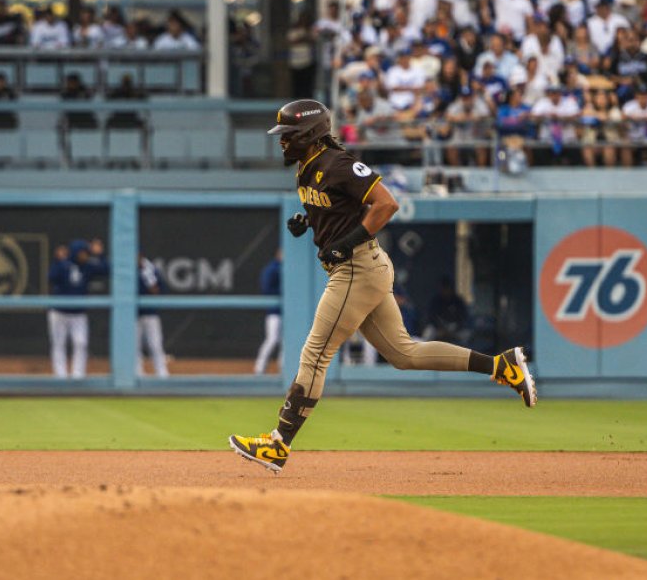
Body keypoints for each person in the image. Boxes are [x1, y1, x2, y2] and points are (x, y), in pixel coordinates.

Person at [229, 99, 537, 473]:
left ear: (309, 134)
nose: (282, 141)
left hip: (356, 268)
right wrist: (309, 222)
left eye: (288, 134)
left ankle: (278, 444)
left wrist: (348, 240)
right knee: (404, 354)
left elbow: (385, 204)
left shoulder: (337, 163)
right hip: (360, 268)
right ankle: (501, 366)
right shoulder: (307, 167)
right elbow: (339, 207)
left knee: (315, 354)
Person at [47, 239, 109, 379]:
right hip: (59, 312)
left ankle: (78, 375)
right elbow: (51, 277)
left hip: (78, 314)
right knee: (58, 344)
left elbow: (106, 269)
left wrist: (99, 255)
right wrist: (57, 261)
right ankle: (60, 376)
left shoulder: (87, 266)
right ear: (75, 252)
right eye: (83, 253)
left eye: (87, 253)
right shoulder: (63, 265)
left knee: (81, 343)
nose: (86, 255)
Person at [137, 255, 170, 378]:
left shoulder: (151, 269)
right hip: (133, 315)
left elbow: (161, 290)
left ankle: (162, 374)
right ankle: (137, 373)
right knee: (134, 346)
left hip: (150, 314)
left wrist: (150, 279)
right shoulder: (127, 271)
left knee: (155, 345)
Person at [253, 250, 283, 375]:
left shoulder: (285, 268)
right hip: (274, 312)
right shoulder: (272, 268)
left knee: (285, 341)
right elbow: (266, 288)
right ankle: (259, 367)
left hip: (285, 312)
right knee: (272, 339)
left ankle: (284, 368)